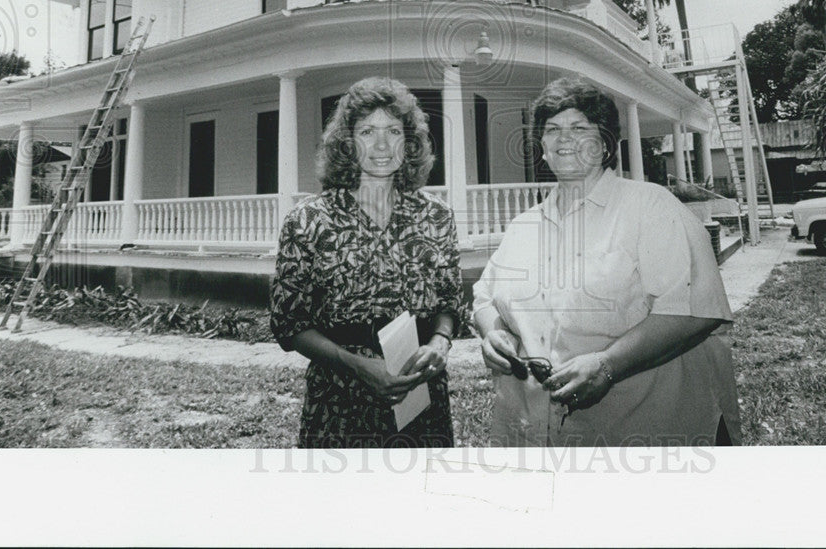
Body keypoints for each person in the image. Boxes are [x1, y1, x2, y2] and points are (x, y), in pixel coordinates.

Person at [473, 75, 741, 446]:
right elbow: (484, 298)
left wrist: (608, 364)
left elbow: (695, 310)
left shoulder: (651, 207)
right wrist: (493, 333)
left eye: (579, 127)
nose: (564, 138)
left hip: (639, 429)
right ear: (542, 147)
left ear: (604, 144)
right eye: (552, 129)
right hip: (538, 430)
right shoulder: (524, 225)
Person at [270, 77, 464, 448]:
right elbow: (289, 324)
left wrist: (440, 342)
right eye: (366, 131)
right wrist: (358, 366)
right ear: (347, 142)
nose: (380, 145)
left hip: (422, 398)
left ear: (409, 142)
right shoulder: (309, 219)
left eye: (392, 130)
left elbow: (449, 304)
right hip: (340, 404)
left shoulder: (437, 217)